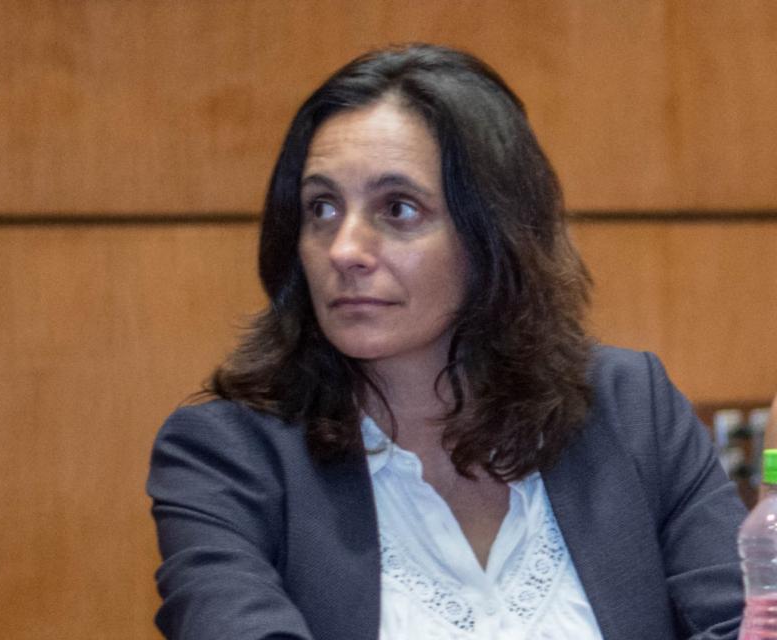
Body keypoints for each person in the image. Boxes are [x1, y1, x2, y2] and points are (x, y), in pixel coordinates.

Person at [147, 44, 746, 639]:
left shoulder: (633, 410)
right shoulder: (226, 456)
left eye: (398, 209)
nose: (344, 250)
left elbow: (743, 622)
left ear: (494, 234)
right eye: (322, 208)